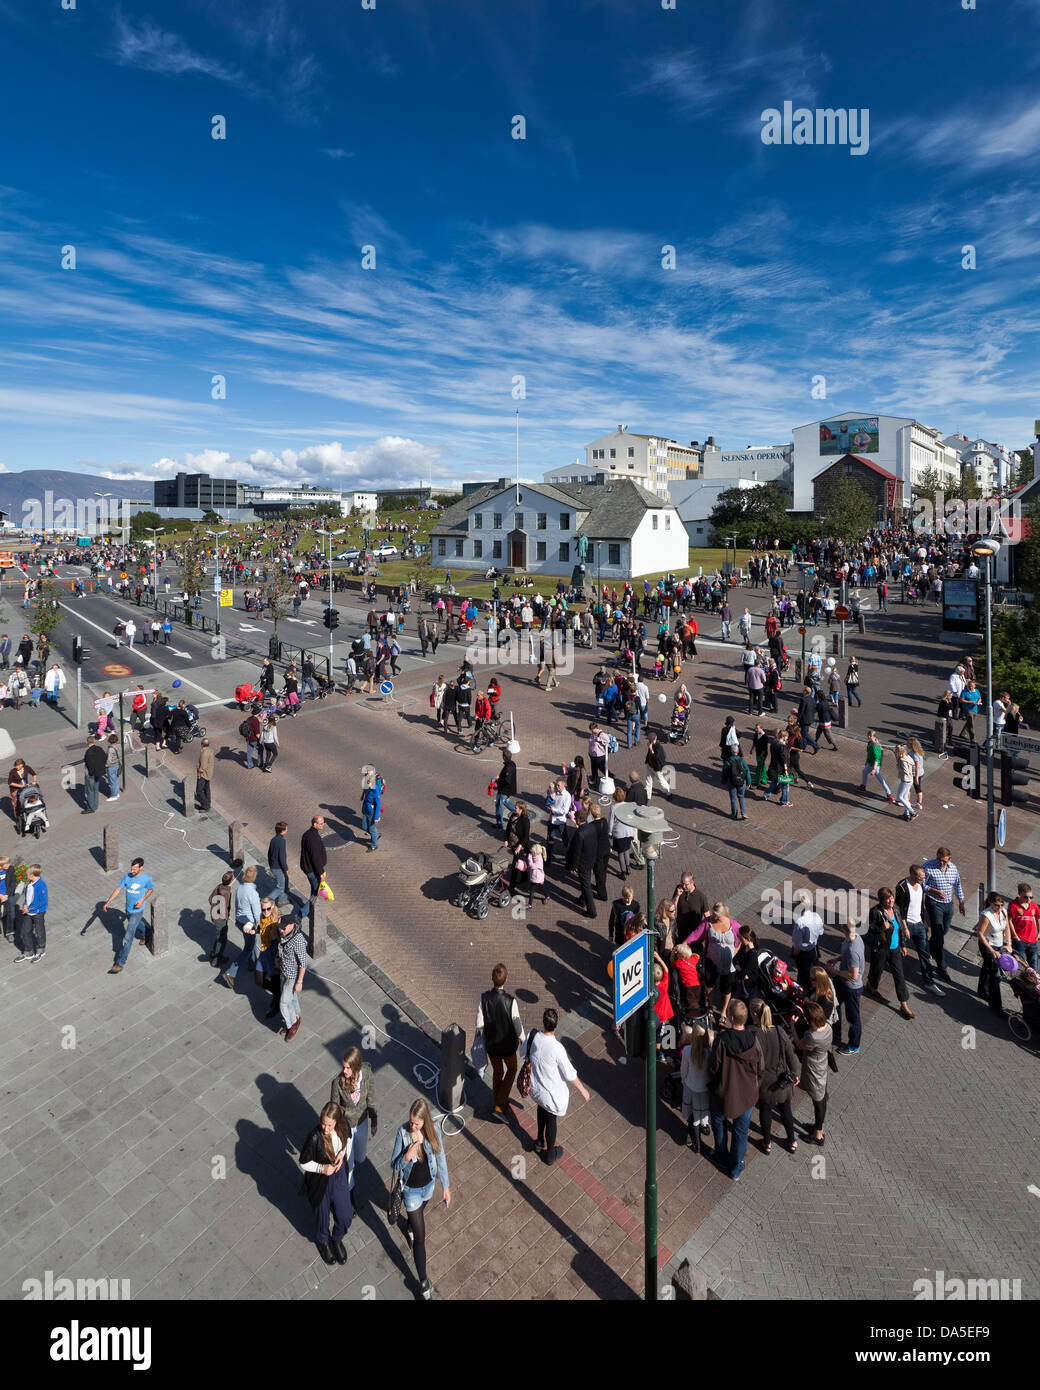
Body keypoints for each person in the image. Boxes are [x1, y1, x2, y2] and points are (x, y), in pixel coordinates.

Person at [390, 1098, 451, 1300]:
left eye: (416, 1123)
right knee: (421, 1236)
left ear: (424, 1122)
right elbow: (394, 1165)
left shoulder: (432, 1132)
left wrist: (446, 1186)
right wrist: (406, 1158)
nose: (412, 1126)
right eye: (411, 1122)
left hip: (428, 1186)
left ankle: (408, 1226)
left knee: (420, 1212)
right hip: (410, 1190)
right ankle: (423, 1282)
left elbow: (440, 1158)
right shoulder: (403, 1133)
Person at [707, 1000, 763, 1180]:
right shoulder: (753, 1040)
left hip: (723, 1092)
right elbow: (760, 1068)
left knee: (718, 1121)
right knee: (740, 1131)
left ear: (731, 1018)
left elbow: (713, 1067)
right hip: (747, 1095)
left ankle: (721, 1155)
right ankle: (736, 1167)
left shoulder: (721, 1040)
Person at [527, 1007, 589, 1165]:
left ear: (543, 1022)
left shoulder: (533, 1036)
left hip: (536, 1088)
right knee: (551, 1120)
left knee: (541, 1110)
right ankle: (550, 1154)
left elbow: (523, 1052)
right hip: (550, 1094)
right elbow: (570, 1074)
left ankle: (539, 1140)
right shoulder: (557, 1048)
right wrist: (583, 1090)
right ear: (555, 1026)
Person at [298, 1103, 353, 1266]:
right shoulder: (314, 1137)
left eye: (329, 1125)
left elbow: (348, 1140)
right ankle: (323, 1241)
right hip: (320, 1182)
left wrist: (341, 1155)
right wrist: (322, 1168)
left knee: (345, 1214)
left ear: (337, 1122)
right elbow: (303, 1162)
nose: (325, 1128)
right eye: (323, 1123)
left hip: (338, 1175)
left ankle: (336, 1239)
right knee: (321, 1217)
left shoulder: (343, 1127)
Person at [747, 998, 800, 1153]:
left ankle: (767, 1142)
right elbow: (791, 1055)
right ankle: (792, 1141)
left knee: (765, 1110)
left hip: (764, 1083)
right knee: (786, 1111)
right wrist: (795, 1073)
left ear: (755, 1013)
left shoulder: (751, 1032)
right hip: (782, 1079)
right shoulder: (779, 1031)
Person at [475, 963, 526, 1121]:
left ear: (492, 978)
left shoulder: (483, 999)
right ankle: (499, 1105)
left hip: (492, 1046)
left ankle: (497, 1102)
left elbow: (479, 1024)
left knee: (498, 1072)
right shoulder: (511, 1002)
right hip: (508, 1047)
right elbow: (518, 1027)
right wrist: (524, 1042)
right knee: (512, 1069)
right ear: (506, 979)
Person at [329, 1046, 378, 1204]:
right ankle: (350, 1198)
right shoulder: (337, 1083)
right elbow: (334, 1109)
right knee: (349, 1165)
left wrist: (374, 1121)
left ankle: (353, 1163)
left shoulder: (367, 1074)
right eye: (343, 1067)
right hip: (346, 1127)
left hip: (362, 1122)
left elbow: (371, 1099)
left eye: (348, 1067)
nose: (345, 1071)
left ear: (356, 1066)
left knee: (360, 1157)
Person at [865, 887, 916, 1020]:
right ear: (882, 900)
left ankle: (903, 1004)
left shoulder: (896, 909)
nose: (891, 900)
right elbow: (868, 928)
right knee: (876, 971)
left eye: (892, 897)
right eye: (888, 899)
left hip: (894, 949)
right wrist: (880, 928)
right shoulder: (876, 912)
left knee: (899, 976)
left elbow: (900, 928)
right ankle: (871, 985)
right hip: (881, 948)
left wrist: (903, 945)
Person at [895, 864, 943, 996]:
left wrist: (924, 921)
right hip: (907, 924)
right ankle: (895, 974)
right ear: (912, 875)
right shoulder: (902, 887)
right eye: (921, 878)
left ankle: (929, 982)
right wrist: (904, 927)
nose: (923, 880)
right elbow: (899, 909)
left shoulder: (921, 885)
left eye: (923, 877)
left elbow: (921, 904)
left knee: (925, 953)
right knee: (898, 951)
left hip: (919, 924)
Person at [104, 857, 155, 975]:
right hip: (128, 910)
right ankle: (147, 931)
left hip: (138, 911)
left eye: (135, 870)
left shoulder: (146, 878)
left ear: (141, 868)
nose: (132, 871)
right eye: (131, 869)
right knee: (139, 925)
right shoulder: (127, 877)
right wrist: (108, 902)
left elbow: (151, 889)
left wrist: (142, 900)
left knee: (128, 936)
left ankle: (120, 963)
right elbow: (118, 889)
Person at [922, 847, 965, 982]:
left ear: (949, 859)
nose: (941, 863)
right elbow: (922, 884)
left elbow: (957, 884)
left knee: (944, 930)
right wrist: (934, 891)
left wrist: (961, 901)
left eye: (944, 861)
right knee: (939, 935)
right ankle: (942, 966)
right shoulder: (928, 866)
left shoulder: (953, 868)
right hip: (934, 903)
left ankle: (929, 947)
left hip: (948, 904)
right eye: (939, 860)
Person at [824, 917, 865, 1053]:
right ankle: (836, 1034)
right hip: (842, 982)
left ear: (843, 928)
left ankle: (854, 1046)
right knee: (834, 1004)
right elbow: (845, 955)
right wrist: (837, 959)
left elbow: (853, 974)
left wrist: (833, 971)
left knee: (853, 1017)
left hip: (851, 988)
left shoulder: (854, 949)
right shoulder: (854, 937)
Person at [793, 1002, 832, 1146]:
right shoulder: (827, 1026)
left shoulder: (812, 1035)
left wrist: (792, 1026)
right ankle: (818, 1126)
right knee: (820, 1098)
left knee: (818, 1100)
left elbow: (800, 1045)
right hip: (822, 1063)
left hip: (814, 1069)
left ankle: (818, 1134)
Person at [220, 865, 261, 990]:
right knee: (248, 948)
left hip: (239, 920)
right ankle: (231, 972)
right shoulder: (253, 893)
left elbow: (237, 905)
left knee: (251, 942)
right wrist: (261, 926)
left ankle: (253, 964)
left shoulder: (239, 888)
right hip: (249, 923)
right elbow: (257, 912)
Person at [975, 891, 1011, 1018]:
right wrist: (992, 950)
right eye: (996, 905)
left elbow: (1006, 928)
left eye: (1001, 905)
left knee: (987, 968)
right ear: (990, 903)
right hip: (987, 946)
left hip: (999, 945)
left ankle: (982, 991)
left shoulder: (1003, 912)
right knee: (995, 977)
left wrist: (1009, 943)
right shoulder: (986, 915)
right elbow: (980, 934)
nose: (999, 908)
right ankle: (996, 1006)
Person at [679, 1022, 713, 1153]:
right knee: (701, 1113)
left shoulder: (687, 1051)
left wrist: (684, 1080)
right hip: (704, 1089)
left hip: (690, 1087)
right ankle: (704, 1125)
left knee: (692, 1117)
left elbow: (683, 1070)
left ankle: (696, 1144)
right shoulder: (709, 1051)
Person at [277, 908, 308, 1039]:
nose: (281, 930)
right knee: (291, 997)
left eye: (283, 928)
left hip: (291, 976)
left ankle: (292, 1025)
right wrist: (278, 960)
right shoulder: (286, 934)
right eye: (280, 928)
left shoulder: (299, 940)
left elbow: (303, 963)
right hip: (283, 971)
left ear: (292, 925)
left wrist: (299, 982)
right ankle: (296, 1015)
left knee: (284, 1003)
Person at [15, 863, 48, 964]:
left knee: (39, 932)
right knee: (25, 931)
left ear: (32, 875)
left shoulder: (41, 885)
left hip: (38, 912)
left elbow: (43, 901)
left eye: (27, 875)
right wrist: (25, 905)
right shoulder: (29, 883)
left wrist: (30, 908)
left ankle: (40, 950)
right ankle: (29, 952)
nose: (26, 876)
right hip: (28, 911)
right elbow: (28, 897)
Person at [1009, 882, 1040, 972]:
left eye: (1031, 897)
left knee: (1033, 965)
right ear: (1019, 894)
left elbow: (1038, 918)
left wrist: (1039, 932)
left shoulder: (1034, 906)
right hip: (1019, 940)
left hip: (1032, 940)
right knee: (1017, 964)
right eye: (1025, 897)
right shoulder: (1013, 905)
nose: (1028, 899)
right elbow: (1009, 920)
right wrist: (1015, 936)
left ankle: (1033, 983)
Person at [857, 729, 894, 802]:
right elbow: (869, 754)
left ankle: (889, 795)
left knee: (881, 781)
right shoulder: (870, 743)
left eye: (870, 736)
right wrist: (866, 761)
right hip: (870, 764)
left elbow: (876, 759)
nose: (868, 737)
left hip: (874, 766)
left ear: (874, 736)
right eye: (868, 735)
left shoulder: (875, 746)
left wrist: (874, 769)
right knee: (864, 772)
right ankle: (863, 786)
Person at [208, 871, 234, 966]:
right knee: (222, 940)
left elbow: (210, 899)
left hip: (214, 916)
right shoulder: (227, 892)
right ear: (231, 881)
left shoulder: (218, 886)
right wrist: (226, 916)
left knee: (218, 936)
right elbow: (224, 908)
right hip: (221, 919)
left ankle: (214, 952)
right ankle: (217, 960)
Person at [301, 814, 328, 901]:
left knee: (314, 890)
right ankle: (302, 913)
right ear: (315, 824)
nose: (323, 825)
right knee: (315, 893)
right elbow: (315, 857)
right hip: (312, 870)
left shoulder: (307, 834)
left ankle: (309, 911)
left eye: (323, 823)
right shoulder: (313, 838)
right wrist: (320, 872)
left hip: (309, 867)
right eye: (321, 823)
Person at [721, 745, 750, 820]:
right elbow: (747, 771)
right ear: (738, 751)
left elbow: (724, 771)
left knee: (733, 798)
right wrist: (748, 782)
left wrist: (723, 780)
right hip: (741, 782)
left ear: (731, 751)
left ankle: (734, 814)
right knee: (741, 797)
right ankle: (743, 813)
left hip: (732, 782)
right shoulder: (742, 760)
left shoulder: (728, 761)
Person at [267, 821, 291, 902]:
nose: (287, 831)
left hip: (273, 865)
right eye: (286, 829)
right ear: (282, 831)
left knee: (284, 881)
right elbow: (282, 857)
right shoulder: (282, 841)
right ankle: (266, 901)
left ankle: (283, 899)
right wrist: (286, 868)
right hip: (278, 867)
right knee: (280, 887)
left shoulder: (273, 839)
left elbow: (269, 853)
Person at [83, 735, 106, 813]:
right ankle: (95, 805)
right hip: (98, 773)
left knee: (90, 790)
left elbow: (89, 764)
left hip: (91, 774)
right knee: (96, 789)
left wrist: (91, 773)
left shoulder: (88, 752)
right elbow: (104, 758)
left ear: (87, 742)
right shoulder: (99, 749)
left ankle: (91, 807)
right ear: (93, 741)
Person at [361, 770, 382, 851]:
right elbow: (366, 799)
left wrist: (376, 817)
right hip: (366, 810)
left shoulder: (375, 790)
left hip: (372, 813)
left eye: (369, 783)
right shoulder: (369, 788)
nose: (368, 784)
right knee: (364, 827)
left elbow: (378, 805)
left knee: (372, 829)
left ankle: (374, 845)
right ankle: (376, 836)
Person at [195, 738, 214, 811]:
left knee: (199, 791)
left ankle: (206, 805)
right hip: (209, 774)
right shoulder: (210, 750)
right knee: (207, 789)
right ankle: (208, 802)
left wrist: (199, 773)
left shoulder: (204, 753)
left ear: (202, 744)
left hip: (203, 774)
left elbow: (202, 766)